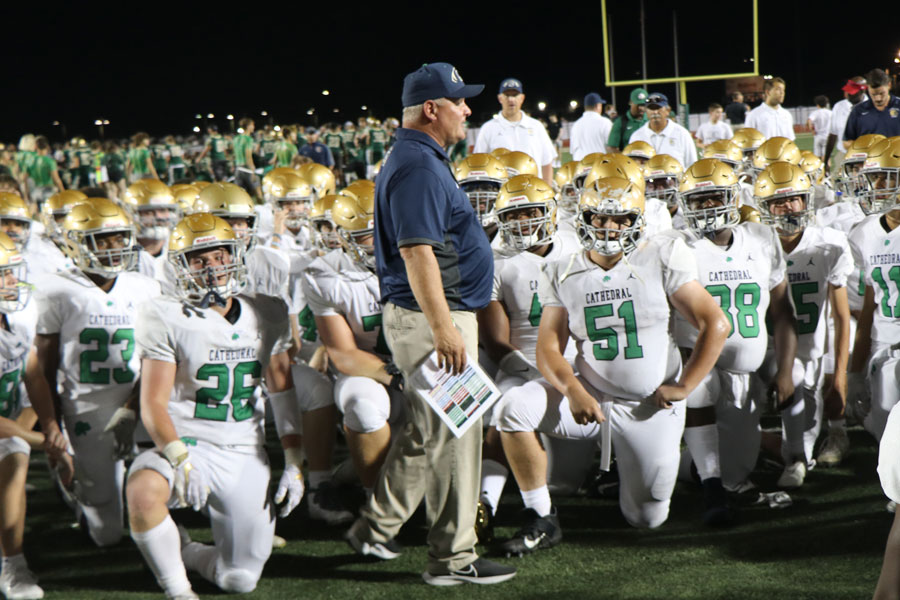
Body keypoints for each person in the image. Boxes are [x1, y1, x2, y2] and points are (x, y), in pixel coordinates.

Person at [347, 61, 516, 586]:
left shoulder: (419, 157)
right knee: (447, 430)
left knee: (443, 431)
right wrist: (444, 328)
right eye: (459, 100)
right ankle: (416, 542)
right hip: (430, 318)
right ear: (431, 108)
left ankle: (412, 543)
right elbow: (417, 252)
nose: (468, 109)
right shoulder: (419, 165)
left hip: (431, 314)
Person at [496, 175, 729, 553]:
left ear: (636, 220)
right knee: (512, 409)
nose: (609, 227)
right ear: (584, 219)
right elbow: (548, 349)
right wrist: (572, 389)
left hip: (648, 406)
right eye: (599, 218)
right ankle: (541, 517)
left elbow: (715, 323)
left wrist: (685, 386)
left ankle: (668, 470)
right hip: (591, 394)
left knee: (646, 517)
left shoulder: (660, 256)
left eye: (620, 219)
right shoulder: (562, 269)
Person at [125, 213, 300, 599]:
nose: (212, 267)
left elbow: (282, 389)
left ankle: (185, 550)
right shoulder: (165, 314)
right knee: (142, 490)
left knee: (239, 579)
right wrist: (180, 457)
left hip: (242, 450)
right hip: (186, 441)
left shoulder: (268, 310)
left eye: (219, 256)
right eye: (199, 259)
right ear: (182, 265)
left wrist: (296, 460)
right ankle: (178, 590)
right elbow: (153, 402)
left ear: (235, 255)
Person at [30, 198, 161, 548]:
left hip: (139, 397)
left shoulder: (143, 286)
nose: (114, 248)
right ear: (75, 242)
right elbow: (44, 369)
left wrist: (134, 406)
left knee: (163, 485)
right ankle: (83, 491)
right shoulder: (55, 289)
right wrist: (53, 429)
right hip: (85, 404)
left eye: (119, 238)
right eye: (103, 240)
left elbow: (157, 358)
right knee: (106, 534)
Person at [754, 162, 853, 481]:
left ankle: (786, 452)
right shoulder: (754, 245)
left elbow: (841, 316)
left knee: (799, 454)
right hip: (757, 353)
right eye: (777, 201)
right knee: (733, 436)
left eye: (793, 198)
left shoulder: (830, 243)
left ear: (806, 201)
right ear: (764, 207)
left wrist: (838, 377)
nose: (787, 207)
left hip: (807, 356)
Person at [0, 231, 72, 600]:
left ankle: (12, 561)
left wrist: (50, 424)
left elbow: (32, 372)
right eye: (5, 274)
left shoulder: (16, 314)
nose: (14, 282)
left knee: (14, 470)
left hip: (9, 416)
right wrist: (42, 440)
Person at [473, 77, 556, 184]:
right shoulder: (488, 128)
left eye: (515, 95)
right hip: (501, 195)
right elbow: (479, 165)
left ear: (522, 98)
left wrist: (547, 189)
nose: (511, 99)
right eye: (507, 95)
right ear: (500, 98)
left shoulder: (536, 126)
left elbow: (547, 163)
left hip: (533, 193)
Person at [627, 93, 698, 170]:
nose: (655, 112)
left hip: (677, 181)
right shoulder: (637, 136)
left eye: (658, 108)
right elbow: (632, 168)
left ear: (668, 110)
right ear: (646, 112)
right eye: (651, 108)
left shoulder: (682, 134)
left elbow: (692, 165)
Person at [843, 68, 900, 146]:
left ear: (889, 85)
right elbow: (846, 142)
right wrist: (865, 147)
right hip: (868, 157)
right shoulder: (858, 111)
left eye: (881, 93)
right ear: (868, 88)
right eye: (873, 94)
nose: (878, 99)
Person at [824, 77, 867, 177]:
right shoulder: (839, 106)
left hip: (866, 157)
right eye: (847, 91)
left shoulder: (872, 107)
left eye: (852, 92)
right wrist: (826, 160)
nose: (848, 95)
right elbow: (833, 134)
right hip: (843, 155)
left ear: (863, 90)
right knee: (838, 187)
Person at [570, 93, 612, 161]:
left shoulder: (576, 124)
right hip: (598, 165)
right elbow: (611, 146)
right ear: (597, 106)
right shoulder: (605, 122)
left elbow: (573, 150)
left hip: (580, 165)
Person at [607, 88, 648, 152]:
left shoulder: (651, 121)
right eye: (638, 104)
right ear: (630, 102)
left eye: (643, 105)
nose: (641, 108)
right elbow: (611, 148)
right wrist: (624, 160)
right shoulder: (621, 122)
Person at [233, 118, 260, 200]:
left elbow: (235, 154)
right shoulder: (248, 139)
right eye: (252, 125)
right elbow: (248, 156)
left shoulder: (236, 138)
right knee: (258, 193)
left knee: (241, 196)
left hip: (238, 169)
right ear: (248, 126)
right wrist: (252, 170)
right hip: (247, 169)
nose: (254, 127)